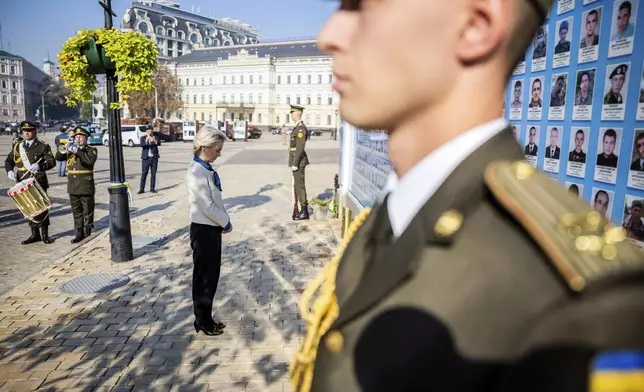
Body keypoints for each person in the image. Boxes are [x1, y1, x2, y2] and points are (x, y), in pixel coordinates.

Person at [291, 0, 644, 391]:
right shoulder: (391, 214)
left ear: (476, 27)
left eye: (360, 6)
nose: (328, 37)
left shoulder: (576, 299)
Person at [186, 127, 231, 336]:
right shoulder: (196, 172)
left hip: (210, 228)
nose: (219, 153)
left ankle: (206, 317)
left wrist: (220, 222)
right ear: (205, 147)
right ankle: (202, 321)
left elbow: (215, 200)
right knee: (204, 277)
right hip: (203, 229)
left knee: (211, 276)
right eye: (217, 149)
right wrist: (225, 222)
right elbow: (206, 205)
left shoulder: (205, 169)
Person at [4, 121, 56, 244]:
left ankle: (45, 234)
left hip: (37, 181)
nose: (27, 133)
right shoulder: (18, 146)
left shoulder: (42, 146)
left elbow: (52, 162)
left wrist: (40, 166)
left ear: (34, 131)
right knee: (28, 207)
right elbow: (8, 161)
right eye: (25, 131)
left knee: (42, 207)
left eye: (30, 130)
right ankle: (34, 234)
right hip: (22, 180)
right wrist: (9, 171)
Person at [55, 127, 98, 243]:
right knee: (76, 211)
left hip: (85, 185)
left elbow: (89, 161)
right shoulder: (70, 151)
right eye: (76, 137)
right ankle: (79, 232)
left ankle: (88, 228)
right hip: (73, 185)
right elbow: (57, 158)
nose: (78, 139)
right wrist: (64, 148)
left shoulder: (91, 150)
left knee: (87, 210)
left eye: (80, 137)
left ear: (86, 139)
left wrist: (77, 150)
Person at [288, 104, 310, 220]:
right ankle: (302, 209)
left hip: (299, 161)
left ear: (297, 114)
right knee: (297, 185)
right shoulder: (297, 127)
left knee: (299, 186)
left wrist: (295, 163)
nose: (291, 115)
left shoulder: (300, 128)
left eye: (292, 113)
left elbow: (300, 147)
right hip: (296, 160)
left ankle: (304, 211)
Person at [138, 126, 159, 194]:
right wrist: (146, 141)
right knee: (144, 173)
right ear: (146, 131)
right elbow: (142, 145)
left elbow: (159, 143)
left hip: (154, 158)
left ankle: (152, 188)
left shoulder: (155, 137)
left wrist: (154, 141)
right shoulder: (143, 138)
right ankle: (142, 188)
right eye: (148, 131)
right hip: (146, 158)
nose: (149, 132)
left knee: (153, 174)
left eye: (150, 130)